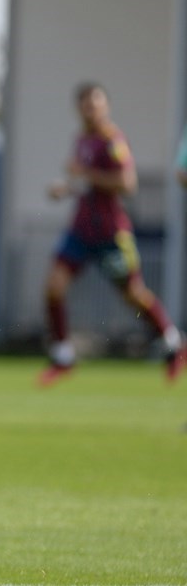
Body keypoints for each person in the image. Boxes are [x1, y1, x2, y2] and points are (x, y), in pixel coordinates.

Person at [39, 82, 184, 386]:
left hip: (110, 232)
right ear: (78, 108)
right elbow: (83, 183)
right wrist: (63, 189)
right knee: (54, 286)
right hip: (81, 229)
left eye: (96, 103)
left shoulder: (112, 140)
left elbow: (127, 183)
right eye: (85, 104)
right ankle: (63, 355)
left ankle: (173, 344)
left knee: (133, 295)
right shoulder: (81, 140)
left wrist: (86, 175)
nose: (90, 109)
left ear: (105, 106)